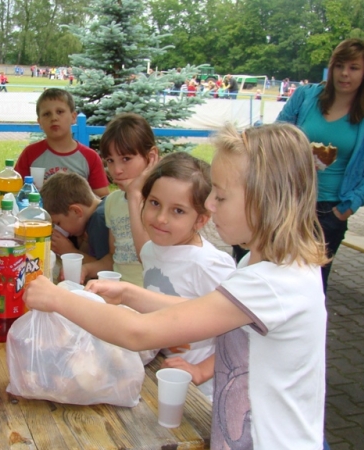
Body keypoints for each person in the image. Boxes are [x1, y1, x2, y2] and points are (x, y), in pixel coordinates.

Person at [24, 122, 329, 449]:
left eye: (221, 196)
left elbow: (139, 332)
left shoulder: (273, 283)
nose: (209, 205)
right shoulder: (264, 265)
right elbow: (200, 310)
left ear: (267, 201)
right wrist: (130, 293)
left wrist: (57, 298)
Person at [276, 37, 364, 291]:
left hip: (330, 210)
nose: (345, 74)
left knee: (312, 285)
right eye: (340, 66)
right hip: (290, 199)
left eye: (354, 68)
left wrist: (347, 207)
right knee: (278, 274)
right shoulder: (305, 96)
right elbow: (276, 136)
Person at [138, 152, 236, 400]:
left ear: (201, 219)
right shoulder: (151, 250)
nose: (161, 218)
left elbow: (245, 333)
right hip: (165, 373)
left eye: (178, 211)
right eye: (154, 203)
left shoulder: (209, 265)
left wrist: (201, 371)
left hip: (206, 393)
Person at [84, 113, 160, 286]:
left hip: (149, 294)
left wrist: (135, 195)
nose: (116, 170)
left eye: (126, 159)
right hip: (118, 291)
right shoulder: (112, 202)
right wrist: (88, 268)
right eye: (110, 160)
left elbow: (148, 259)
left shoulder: (162, 203)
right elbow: (115, 258)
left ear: (151, 156)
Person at [15, 88, 110, 198]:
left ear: (73, 117)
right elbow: (14, 193)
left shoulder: (90, 157)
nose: (54, 118)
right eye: (47, 114)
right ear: (40, 122)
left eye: (60, 112)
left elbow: (103, 200)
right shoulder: (30, 154)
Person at [40, 171, 111, 266]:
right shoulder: (101, 207)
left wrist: (69, 251)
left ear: (76, 211)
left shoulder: (99, 220)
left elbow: (106, 268)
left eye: (58, 223)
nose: (57, 228)